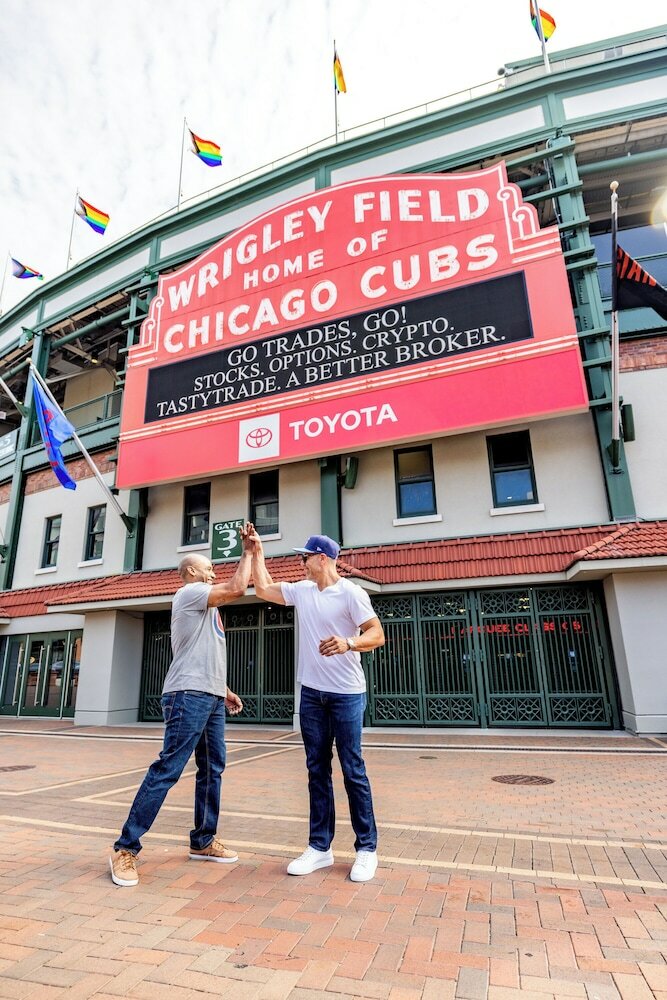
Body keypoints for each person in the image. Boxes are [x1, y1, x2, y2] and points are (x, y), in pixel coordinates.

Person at [109, 525, 255, 886]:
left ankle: (203, 841)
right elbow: (237, 588)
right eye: (208, 568)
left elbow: (201, 652)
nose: (212, 573)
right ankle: (125, 849)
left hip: (208, 695)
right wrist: (249, 552)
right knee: (168, 768)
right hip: (186, 695)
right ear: (192, 572)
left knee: (212, 769)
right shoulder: (190, 591)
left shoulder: (203, 603)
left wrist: (223, 689)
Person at [252, 533, 385, 882]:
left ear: (322, 558)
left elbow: (377, 634)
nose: (301, 563)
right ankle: (320, 848)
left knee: (352, 768)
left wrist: (349, 642)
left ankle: (367, 850)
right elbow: (264, 589)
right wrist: (257, 552)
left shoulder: (352, 593)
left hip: (346, 694)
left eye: (305, 558)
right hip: (312, 694)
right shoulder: (303, 591)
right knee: (316, 770)